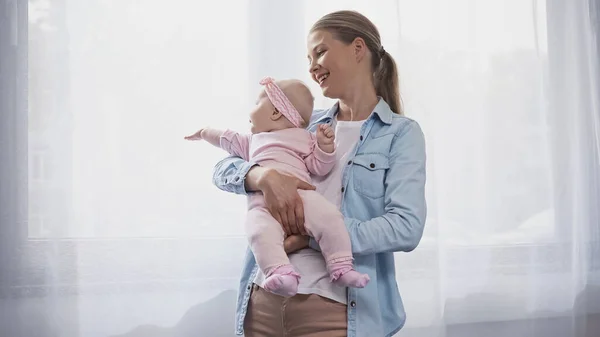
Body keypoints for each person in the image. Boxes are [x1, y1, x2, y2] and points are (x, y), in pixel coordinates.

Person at [213, 10, 426, 337]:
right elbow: (225, 166)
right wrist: (261, 177)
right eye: (309, 57)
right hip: (262, 301)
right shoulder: (302, 124)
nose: (312, 66)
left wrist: (313, 236)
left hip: (333, 311)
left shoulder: (399, 134)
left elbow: (405, 227)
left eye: (321, 51)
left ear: (358, 49)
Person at [185, 77, 370, 297]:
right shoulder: (251, 141)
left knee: (330, 218)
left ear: (274, 113)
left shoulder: (306, 137)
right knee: (258, 231)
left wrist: (324, 147)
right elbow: (225, 139)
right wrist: (206, 132)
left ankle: (341, 267)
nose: (251, 109)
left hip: (302, 197)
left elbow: (320, 167)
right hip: (261, 206)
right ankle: (281, 273)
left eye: (256, 102)